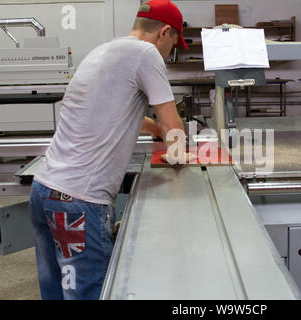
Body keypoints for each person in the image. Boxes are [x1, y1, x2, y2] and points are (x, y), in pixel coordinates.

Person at [29, 0, 189, 300]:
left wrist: (156, 132)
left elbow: (114, 110)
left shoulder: (104, 50)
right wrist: (179, 154)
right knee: (89, 293)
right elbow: (172, 122)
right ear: (164, 33)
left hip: (44, 191)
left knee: (56, 294)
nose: (169, 54)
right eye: (174, 45)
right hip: (78, 201)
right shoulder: (146, 54)